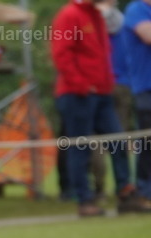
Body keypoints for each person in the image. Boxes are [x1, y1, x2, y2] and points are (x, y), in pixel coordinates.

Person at [51, 0, 150, 217]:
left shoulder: (95, 15)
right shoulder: (69, 15)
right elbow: (61, 54)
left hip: (102, 92)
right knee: (81, 146)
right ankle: (84, 199)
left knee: (118, 141)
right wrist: (82, 85)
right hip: (77, 94)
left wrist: (105, 84)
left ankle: (126, 193)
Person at [122, 0, 151, 206]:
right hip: (146, 87)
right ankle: (145, 190)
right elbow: (148, 35)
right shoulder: (137, 9)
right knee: (147, 141)